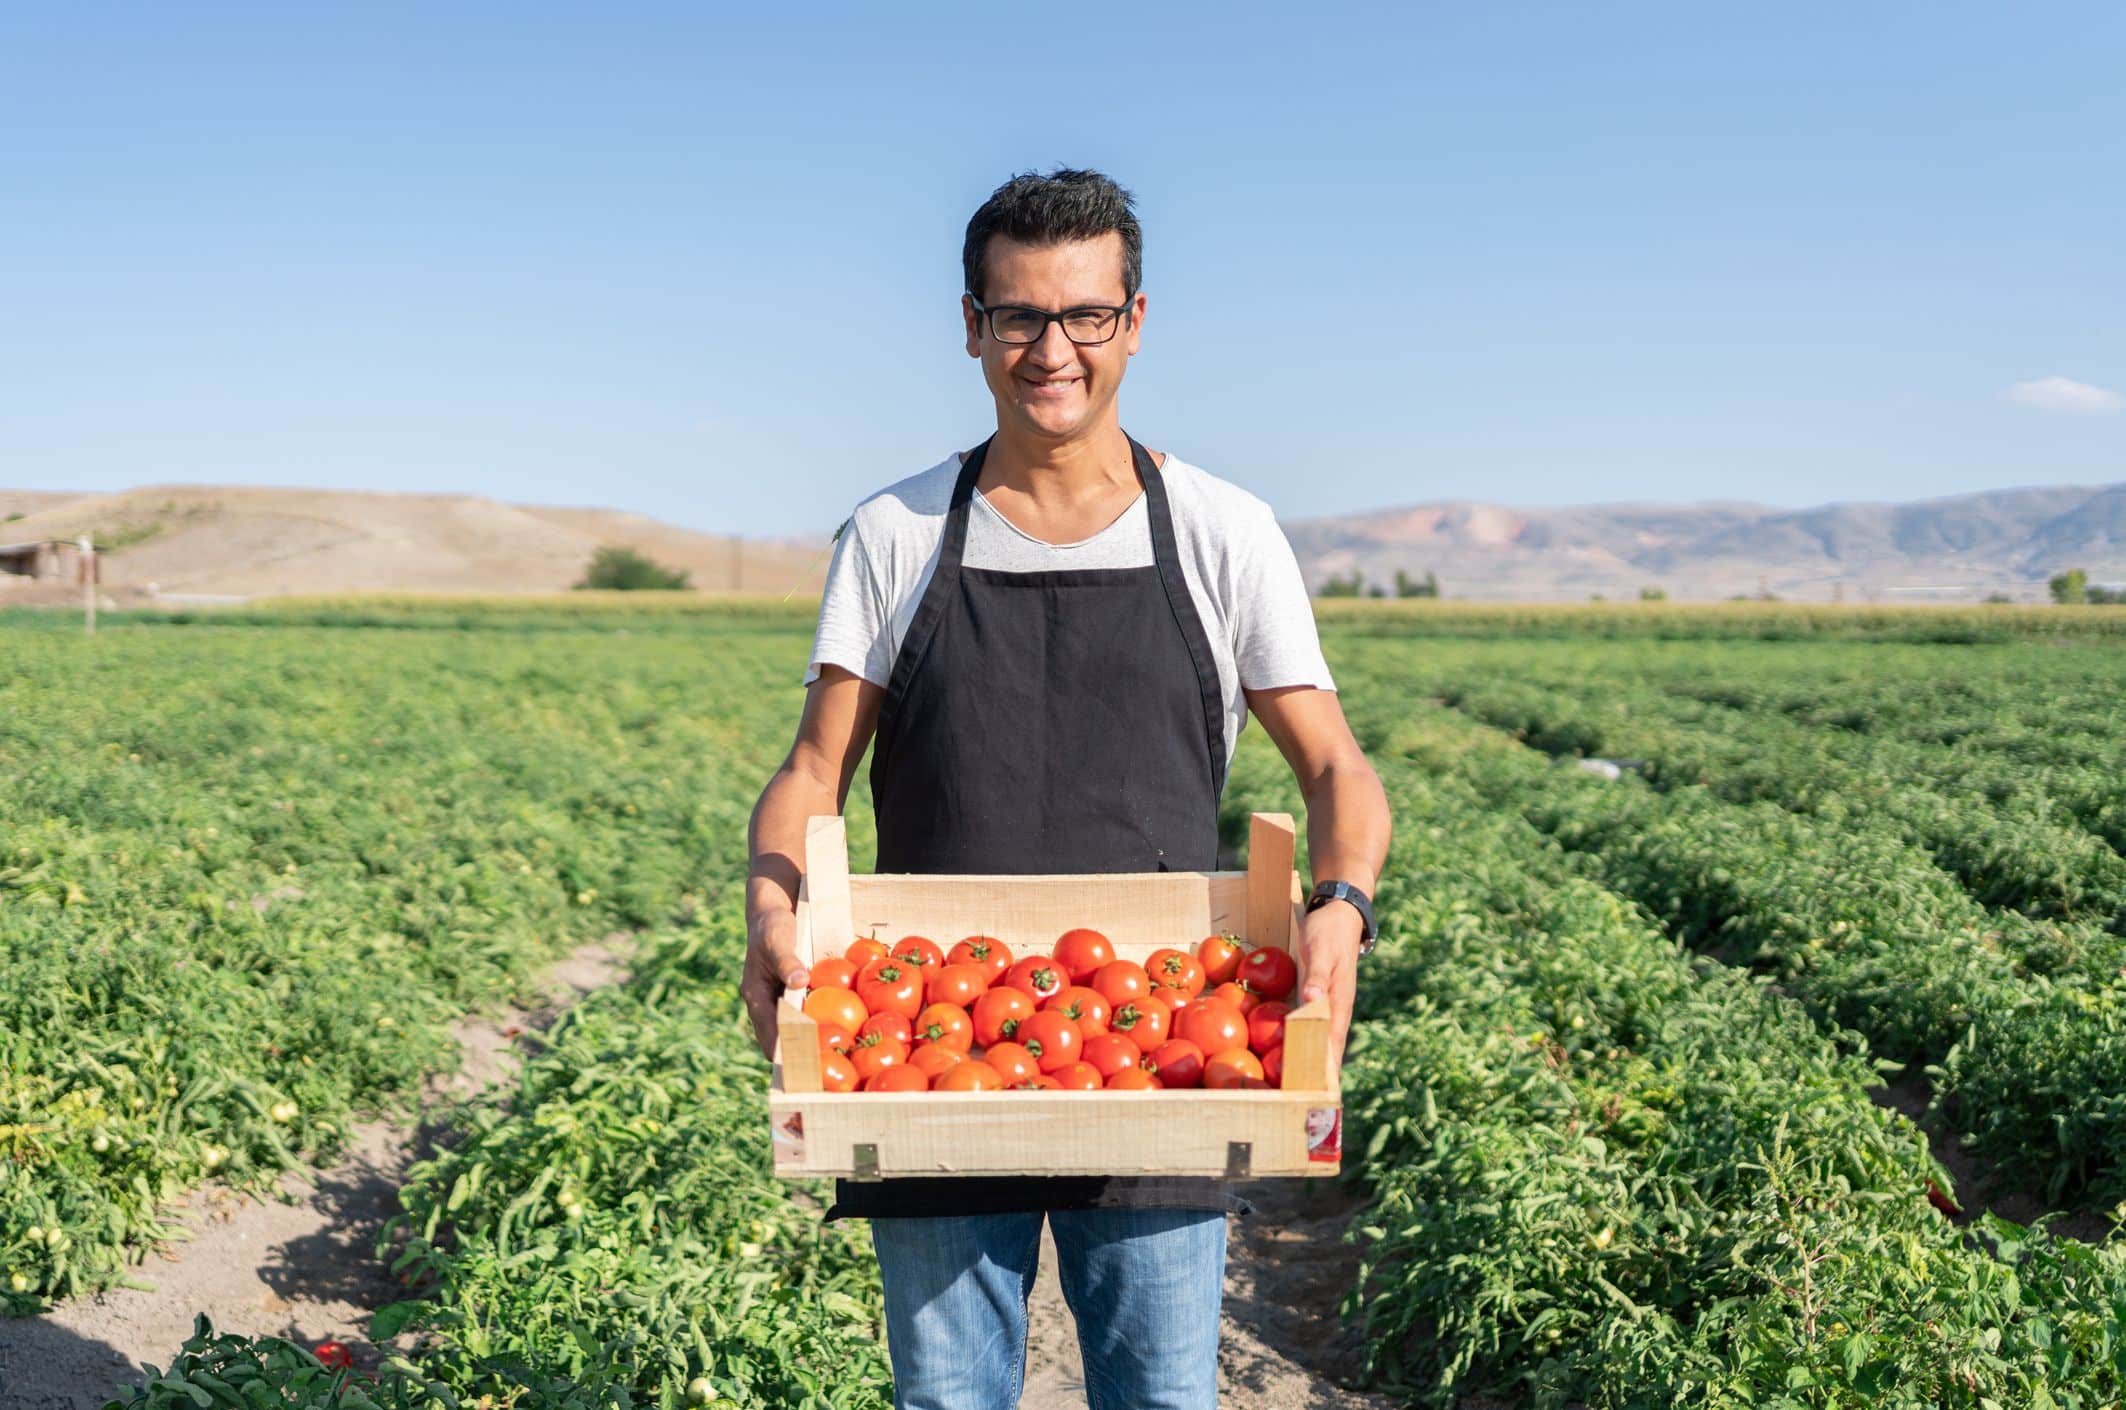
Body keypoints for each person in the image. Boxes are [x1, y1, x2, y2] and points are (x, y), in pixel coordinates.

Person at [742, 167, 1391, 1410]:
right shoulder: (893, 533)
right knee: (945, 1398)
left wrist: (1340, 905)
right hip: (921, 1039)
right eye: (1019, 317)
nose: (1053, 350)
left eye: (1085, 315)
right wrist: (770, 907)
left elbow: (1335, 769)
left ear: (1133, 321)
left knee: (1157, 1396)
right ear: (971, 326)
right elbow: (813, 769)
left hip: (1157, 1049)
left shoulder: (1220, 528)